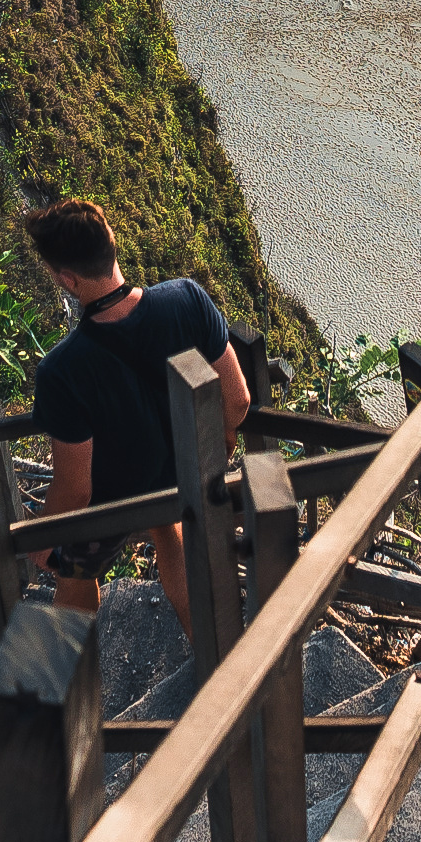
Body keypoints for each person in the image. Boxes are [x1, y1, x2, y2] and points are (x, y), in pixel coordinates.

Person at [19, 198, 250, 614]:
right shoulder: (187, 299)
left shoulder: (61, 371)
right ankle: (211, 654)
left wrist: (41, 534)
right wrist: (224, 437)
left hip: (115, 505)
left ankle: (70, 674)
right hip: (186, 474)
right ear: (113, 244)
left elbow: (76, 488)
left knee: (73, 570)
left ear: (68, 280)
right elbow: (238, 400)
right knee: (171, 522)